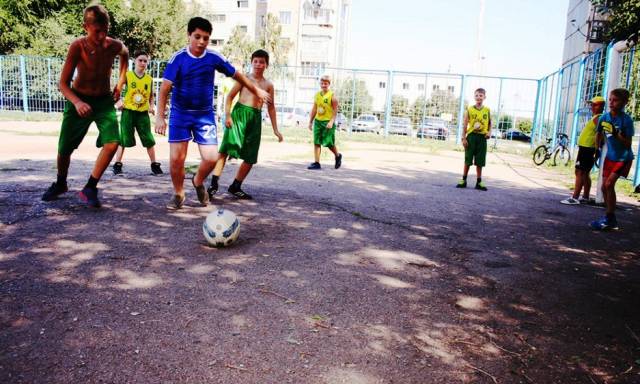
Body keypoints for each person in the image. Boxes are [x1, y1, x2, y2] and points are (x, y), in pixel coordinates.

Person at [154, 17, 271, 209]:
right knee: (177, 159)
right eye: (197, 37)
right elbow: (165, 88)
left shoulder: (214, 58)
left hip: (204, 115)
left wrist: (257, 90)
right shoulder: (178, 59)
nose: (201, 42)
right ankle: (178, 194)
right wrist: (160, 117)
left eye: (206, 38)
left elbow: (237, 74)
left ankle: (198, 181)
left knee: (210, 158)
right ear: (189, 35)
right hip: (180, 115)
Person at [41, 4, 128, 208]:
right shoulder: (77, 46)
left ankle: (90, 187)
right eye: (97, 31)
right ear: (85, 27)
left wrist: (121, 82)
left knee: (113, 142)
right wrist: (77, 102)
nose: (101, 36)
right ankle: (61, 183)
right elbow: (63, 83)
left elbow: (125, 53)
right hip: (79, 99)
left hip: (104, 101)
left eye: (105, 30)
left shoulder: (113, 45)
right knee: (64, 149)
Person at [208, 49, 283, 201]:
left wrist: (276, 130)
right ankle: (213, 183)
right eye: (255, 61)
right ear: (251, 62)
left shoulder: (268, 85)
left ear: (266, 65)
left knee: (250, 156)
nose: (258, 64)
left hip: (255, 118)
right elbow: (229, 97)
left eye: (261, 62)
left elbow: (271, 107)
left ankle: (236, 186)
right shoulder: (244, 79)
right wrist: (228, 115)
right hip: (239, 115)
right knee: (226, 149)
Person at [590, 88, 634, 230]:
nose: (611, 102)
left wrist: (616, 134)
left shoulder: (626, 120)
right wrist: (597, 149)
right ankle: (610, 218)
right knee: (604, 187)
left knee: (609, 185)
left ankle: (610, 218)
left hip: (623, 157)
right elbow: (598, 134)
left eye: (615, 100)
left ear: (624, 102)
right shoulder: (604, 118)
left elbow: (628, 144)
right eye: (610, 99)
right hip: (610, 157)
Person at [112, 51, 163, 176]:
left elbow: (151, 96)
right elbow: (116, 91)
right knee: (123, 138)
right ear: (135, 61)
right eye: (140, 60)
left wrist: (151, 106)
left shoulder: (149, 79)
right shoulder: (128, 76)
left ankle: (154, 164)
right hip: (128, 112)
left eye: (145, 61)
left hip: (142, 114)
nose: (143, 63)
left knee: (148, 139)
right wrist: (118, 102)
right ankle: (117, 164)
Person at [560, 96, 605, 205]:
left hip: (588, 149)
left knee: (580, 172)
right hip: (585, 148)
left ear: (602, 106)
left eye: (595, 105)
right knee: (583, 173)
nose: (592, 107)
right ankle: (585, 197)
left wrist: (598, 148)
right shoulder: (595, 117)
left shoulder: (599, 118)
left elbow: (602, 134)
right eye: (592, 105)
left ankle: (575, 197)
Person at [456, 88, 491, 191]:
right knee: (468, 159)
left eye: (481, 95)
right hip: (471, 137)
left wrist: (489, 132)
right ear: (474, 97)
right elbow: (465, 123)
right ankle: (464, 180)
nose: (478, 97)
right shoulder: (470, 109)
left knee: (480, 160)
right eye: (476, 95)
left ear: (484, 97)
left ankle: (479, 182)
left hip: (482, 138)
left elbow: (490, 123)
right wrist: (463, 138)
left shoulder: (487, 110)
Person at [307, 75, 342, 170]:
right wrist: (310, 121)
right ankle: (317, 163)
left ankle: (337, 155)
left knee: (328, 143)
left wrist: (331, 122)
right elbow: (314, 109)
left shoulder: (332, 96)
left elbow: (335, 111)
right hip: (318, 121)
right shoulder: (317, 95)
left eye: (325, 83)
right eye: (322, 83)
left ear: (329, 84)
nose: (323, 85)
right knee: (316, 142)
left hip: (327, 122)